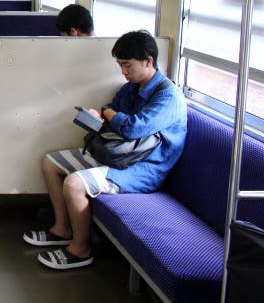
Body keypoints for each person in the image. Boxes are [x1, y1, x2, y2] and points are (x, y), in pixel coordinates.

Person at [23, 30, 187, 270]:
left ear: (149, 61)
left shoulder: (169, 97)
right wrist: (101, 114)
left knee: (74, 184)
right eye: (121, 65)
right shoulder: (133, 87)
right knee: (50, 162)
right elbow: (111, 106)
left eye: (127, 65)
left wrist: (110, 114)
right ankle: (62, 228)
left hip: (143, 169)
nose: (124, 72)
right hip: (117, 156)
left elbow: (132, 128)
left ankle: (80, 249)